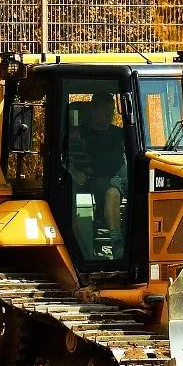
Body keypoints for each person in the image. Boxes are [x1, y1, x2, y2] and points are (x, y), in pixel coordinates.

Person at [67, 92, 126, 249]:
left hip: (113, 181)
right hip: (85, 184)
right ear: (93, 110)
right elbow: (61, 155)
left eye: (110, 112)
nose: (108, 116)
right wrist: (73, 171)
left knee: (114, 192)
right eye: (104, 112)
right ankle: (86, 247)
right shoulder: (78, 134)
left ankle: (118, 243)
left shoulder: (121, 135)